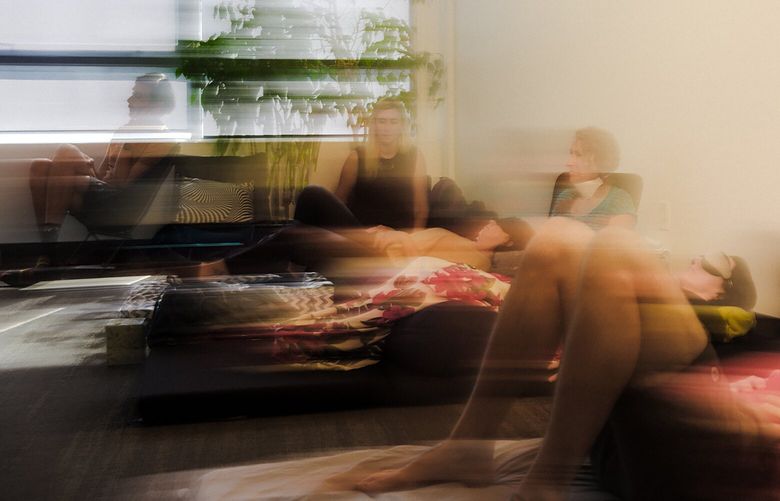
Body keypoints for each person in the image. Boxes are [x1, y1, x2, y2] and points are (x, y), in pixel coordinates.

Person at [331, 217, 777, 500]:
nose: (698, 256)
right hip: (638, 440)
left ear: (722, 291)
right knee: (558, 239)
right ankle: (467, 447)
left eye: (714, 263)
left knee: (618, 246)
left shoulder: (727, 317)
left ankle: (547, 481)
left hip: (712, 456)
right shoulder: (656, 305)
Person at [28, 73, 178, 264]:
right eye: (133, 94)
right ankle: (47, 252)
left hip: (119, 208)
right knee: (39, 167)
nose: (129, 100)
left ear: (157, 106)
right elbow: (104, 175)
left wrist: (130, 140)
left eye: (138, 96)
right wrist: (90, 165)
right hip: (104, 193)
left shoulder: (162, 140)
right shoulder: (124, 130)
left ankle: (48, 255)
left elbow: (122, 183)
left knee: (66, 152)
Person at [295, 97, 428, 232]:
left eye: (393, 122)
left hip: (399, 237)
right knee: (311, 195)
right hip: (363, 235)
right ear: (374, 124)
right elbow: (340, 202)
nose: (387, 128)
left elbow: (421, 209)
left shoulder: (414, 157)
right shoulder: (357, 157)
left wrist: (414, 241)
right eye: (382, 121)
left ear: (401, 126)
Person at [551, 127, 637, 230]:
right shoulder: (565, 196)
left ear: (599, 161)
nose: (569, 163)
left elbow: (618, 243)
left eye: (578, 155)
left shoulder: (619, 200)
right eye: (571, 153)